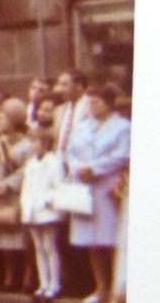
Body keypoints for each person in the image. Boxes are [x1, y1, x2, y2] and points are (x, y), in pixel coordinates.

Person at [66, 84, 131, 303]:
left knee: (112, 239)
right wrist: (79, 168)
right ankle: (100, 288)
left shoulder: (122, 127)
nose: (91, 106)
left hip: (108, 186)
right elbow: (71, 153)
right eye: (90, 102)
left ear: (109, 103)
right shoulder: (82, 126)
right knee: (92, 241)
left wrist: (95, 167)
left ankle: (117, 290)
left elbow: (122, 155)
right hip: (85, 187)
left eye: (96, 102)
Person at [0, 98, 33, 291]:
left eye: (4, 117)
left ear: (16, 119)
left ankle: (28, 277)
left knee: (22, 237)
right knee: (2, 236)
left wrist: (9, 184)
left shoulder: (28, 146)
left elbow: (28, 170)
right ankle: (9, 277)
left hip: (17, 195)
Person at [20, 127, 64, 302]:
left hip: (48, 210)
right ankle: (43, 283)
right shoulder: (30, 163)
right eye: (31, 141)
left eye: (35, 141)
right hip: (32, 211)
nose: (32, 145)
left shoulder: (54, 162)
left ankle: (55, 284)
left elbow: (58, 187)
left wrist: (45, 202)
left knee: (50, 246)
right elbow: (26, 187)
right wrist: (26, 205)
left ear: (45, 143)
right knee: (38, 247)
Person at [54, 70, 90, 158]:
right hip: (60, 162)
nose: (60, 89)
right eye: (59, 84)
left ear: (79, 86)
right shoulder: (59, 111)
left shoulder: (92, 108)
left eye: (64, 85)